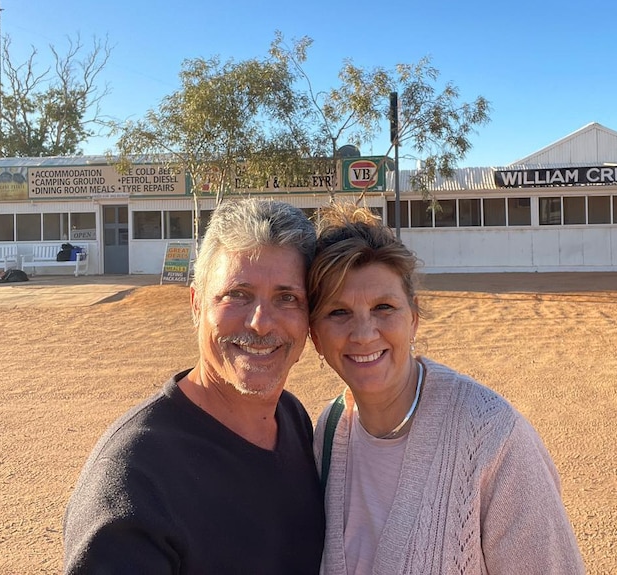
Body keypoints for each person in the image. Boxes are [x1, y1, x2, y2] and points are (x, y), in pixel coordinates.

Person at [308, 203, 585, 574]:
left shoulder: (492, 435)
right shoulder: (329, 431)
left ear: (413, 318)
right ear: (315, 336)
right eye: (337, 312)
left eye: (384, 307)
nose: (363, 333)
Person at [63, 199, 325, 574]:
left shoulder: (292, 418)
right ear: (196, 304)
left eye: (287, 298)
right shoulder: (134, 478)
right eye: (237, 294)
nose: (262, 323)